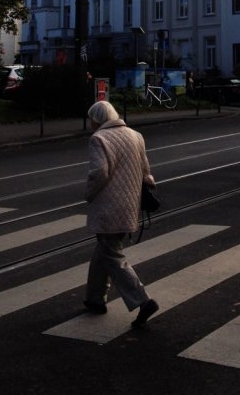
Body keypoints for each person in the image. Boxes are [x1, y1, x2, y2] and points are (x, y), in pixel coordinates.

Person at [83, 100, 159, 328]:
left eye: (91, 119)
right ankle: (95, 299)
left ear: (97, 119)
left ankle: (142, 301)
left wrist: (89, 193)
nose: (90, 124)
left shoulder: (99, 139)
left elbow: (99, 172)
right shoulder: (136, 136)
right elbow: (146, 173)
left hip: (108, 207)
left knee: (113, 255)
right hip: (129, 206)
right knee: (104, 251)